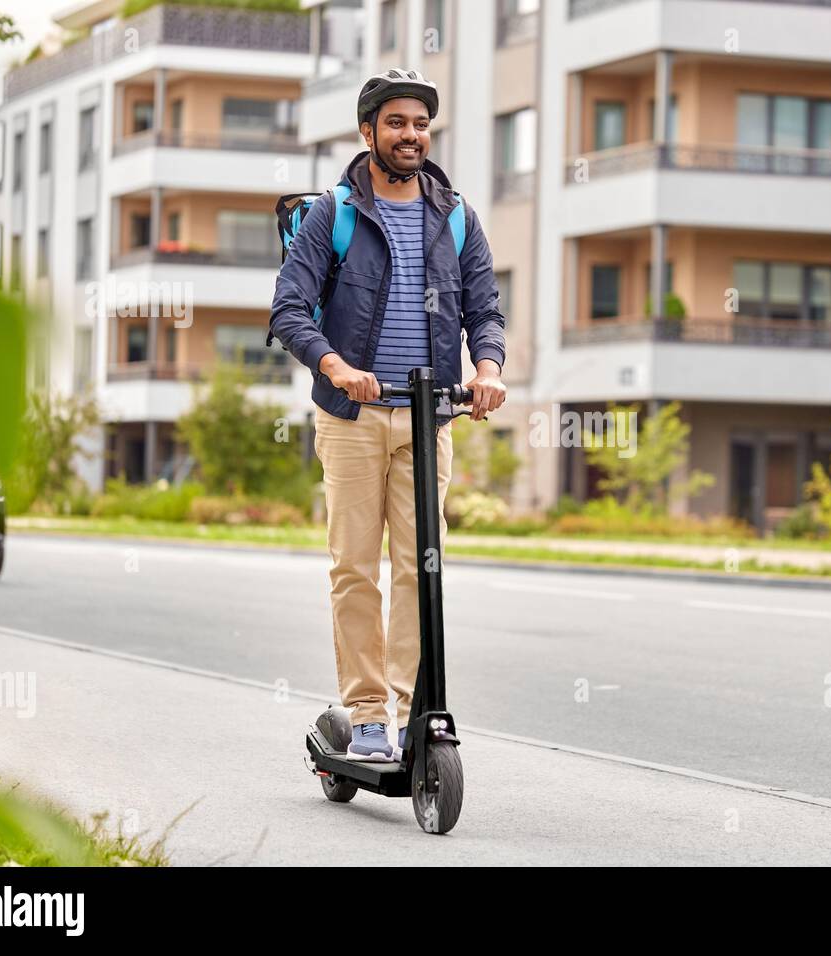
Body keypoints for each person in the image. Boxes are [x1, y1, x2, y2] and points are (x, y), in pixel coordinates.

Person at [270, 68, 507, 761]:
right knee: (354, 568)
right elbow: (289, 309)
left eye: (421, 124)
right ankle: (367, 712)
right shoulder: (334, 213)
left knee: (419, 567)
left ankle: (409, 711)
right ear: (368, 131)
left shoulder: (455, 215)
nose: (412, 136)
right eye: (398, 123)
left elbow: (485, 310)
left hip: (430, 416)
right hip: (352, 418)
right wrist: (336, 366)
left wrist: (486, 371)